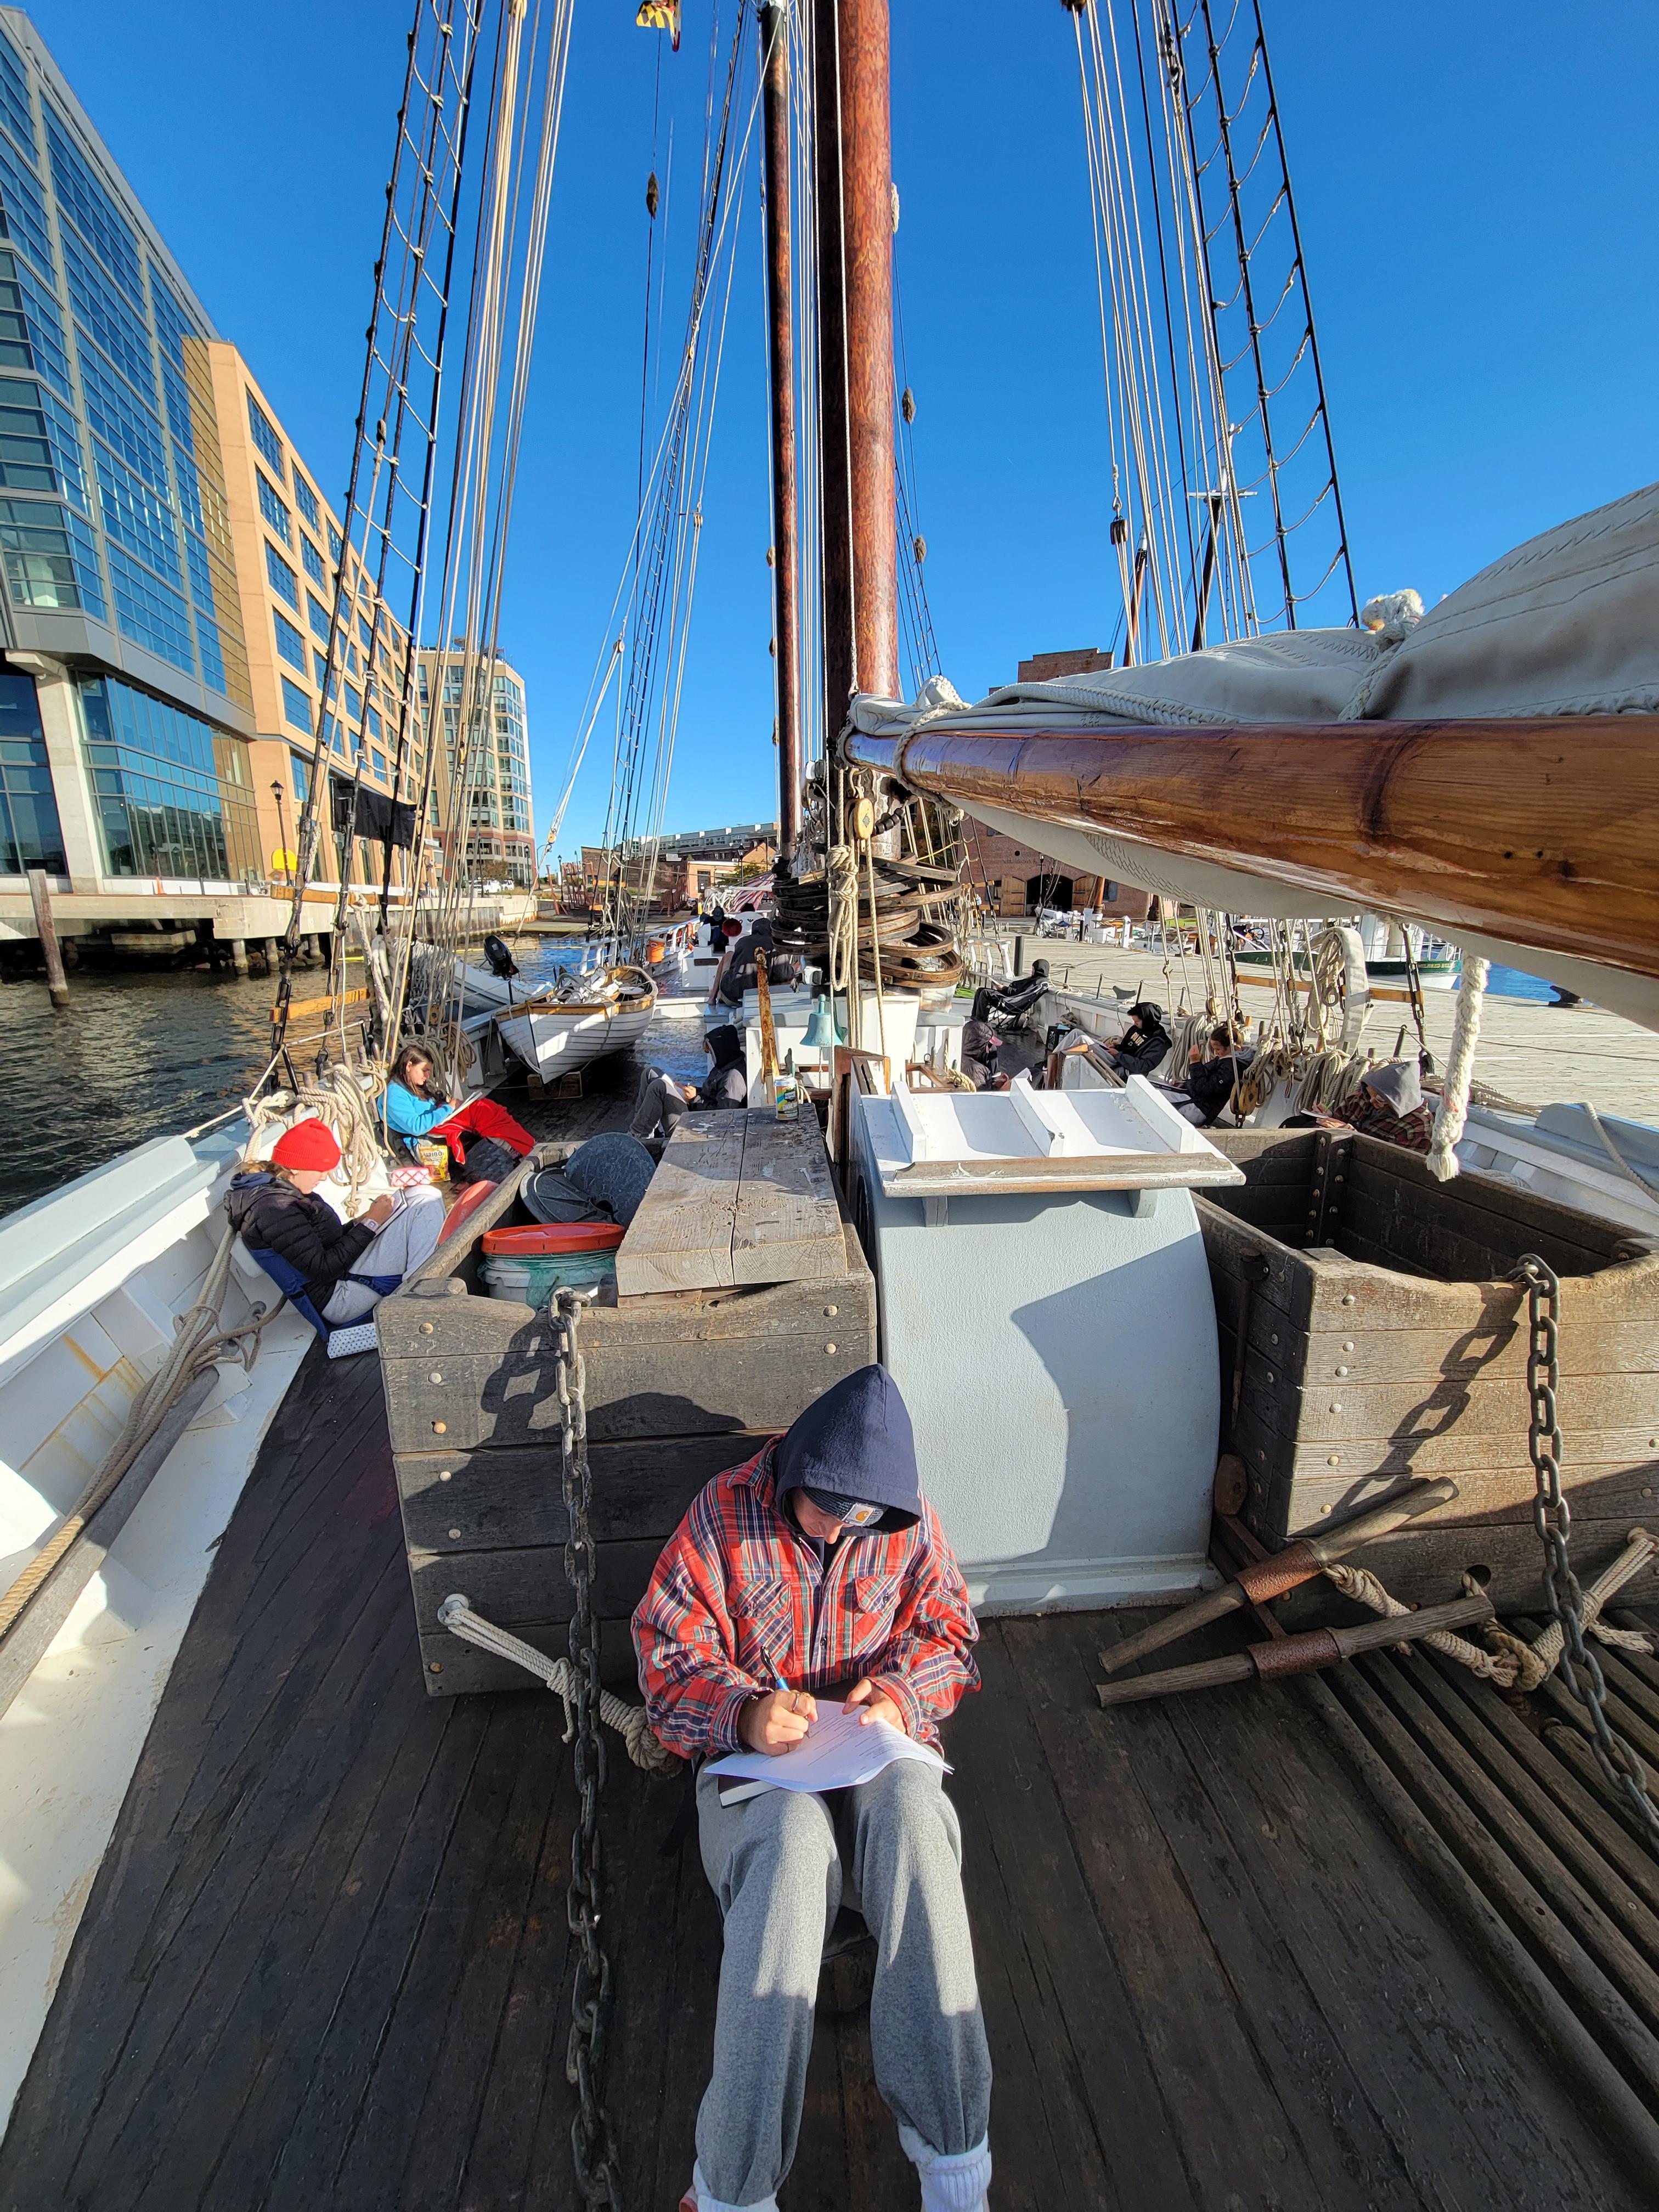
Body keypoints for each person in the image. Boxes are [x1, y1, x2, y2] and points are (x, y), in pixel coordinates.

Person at [634, 1364, 992, 2212]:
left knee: (915, 1826)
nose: (843, 1533)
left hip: (873, 1748)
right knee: (792, 1856)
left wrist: (903, 1691)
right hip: (758, 1767)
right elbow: (661, 1656)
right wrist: (745, 1713)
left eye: (864, 1519)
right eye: (828, 1511)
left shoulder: (903, 1522)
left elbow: (952, 1633)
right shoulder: (721, 1515)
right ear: (793, 1472)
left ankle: (956, 2167)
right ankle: (732, 2188)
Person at [225, 1116, 443, 1325]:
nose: (323, 1176)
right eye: (320, 1169)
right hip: (340, 1297)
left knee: (419, 1193)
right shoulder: (276, 1211)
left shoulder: (284, 1193)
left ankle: (421, 1282)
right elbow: (325, 1268)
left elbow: (323, 1241)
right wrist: (371, 1225)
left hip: (347, 1272)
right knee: (427, 1202)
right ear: (294, 1167)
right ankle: (420, 1296)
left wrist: (361, 1221)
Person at [380, 1042, 534, 1183]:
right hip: (429, 1128)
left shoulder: (409, 1084)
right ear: (409, 1066)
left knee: (486, 1107)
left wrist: (451, 1106)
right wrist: (449, 1108)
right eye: (424, 1071)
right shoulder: (395, 1094)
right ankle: (522, 1149)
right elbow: (416, 1127)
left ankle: (522, 1146)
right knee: (483, 1113)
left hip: (438, 1119)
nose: (427, 1076)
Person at [630, 1024, 749, 1141]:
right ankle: (643, 1132)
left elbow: (722, 1119)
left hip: (697, 1128)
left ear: (722, 1051)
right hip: (695, 1112)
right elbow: (712, 1096)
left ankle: (638, 1138)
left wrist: (695, 1099)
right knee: (650, 1073)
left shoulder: (733, 1079)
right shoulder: (725, 1067)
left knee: (659, 1087)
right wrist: (694, 1091)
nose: (712, 1057)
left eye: (712, 1053)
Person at [1329, 1059, 1434, 1153]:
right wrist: (1326, 1117)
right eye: (1370, 1095)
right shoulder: (1363, 1098)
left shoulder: (1418, 1128)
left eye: (1380, 1098)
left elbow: (1399, 1165)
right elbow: (1338, 1118)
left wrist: (1354, 1138)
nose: (1371, 1101)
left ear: (1398, 1099)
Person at [1161, 1026, 1256, 1127]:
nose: (1216, 1053)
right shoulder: (1225, 1059)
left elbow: (1203, 1090)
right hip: (1193, 1100)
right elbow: (1204, 1076)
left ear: (1232, 1047)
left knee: (1154, 1094)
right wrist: (1185, 1084)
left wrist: (1195, 1062)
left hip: (1199, 1109)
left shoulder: (1232, 1069)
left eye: (1218, 1049)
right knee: (1150, 1087)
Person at [1103, 999, 1172, 1079]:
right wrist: (1115, 1048)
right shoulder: (1136, 1029)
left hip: (1130, 1072)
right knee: (1091, 1047)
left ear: (1147, 1021)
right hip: (1118, 1060)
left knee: (1105, 1074)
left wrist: (1118, 1055)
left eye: (1137, 1021)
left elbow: (1143, 1067)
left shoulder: (1159, 1042)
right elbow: (1126, 1048)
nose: (1135, 1024)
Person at [958, 989, 1007, 1091]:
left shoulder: (964, 1059)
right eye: (989, 1045)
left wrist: (995, 1083)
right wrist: (998, 1087)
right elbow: (982, 1096)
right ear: (978, 1047)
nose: (990, 1049)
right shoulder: (974, 1070)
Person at [984, 958, 1048, 1029]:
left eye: (1033, 969)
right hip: (1014, 1003)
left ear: (1038, 970)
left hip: (1012, 1005)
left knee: (985, 993)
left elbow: (1019, 994)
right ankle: (977, 1018)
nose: (1032, 971)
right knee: (982, 991)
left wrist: (1003, 988)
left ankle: (980, 1020)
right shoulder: (1037, 981)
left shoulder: (1036, 983)